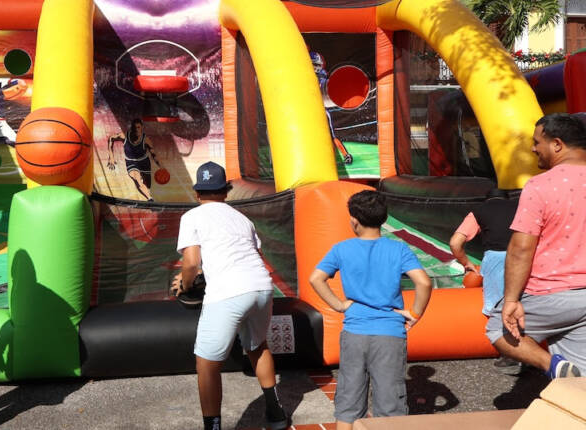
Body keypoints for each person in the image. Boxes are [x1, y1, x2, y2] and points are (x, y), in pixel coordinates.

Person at [171, 161, 289, 430]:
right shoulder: (242, 218)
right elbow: (252, 257)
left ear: (197, 193)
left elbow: (190, 263)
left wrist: (187, 285)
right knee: (257, 347)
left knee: (207, 365)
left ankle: (212, 427)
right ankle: (276, 414)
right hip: (261, 287)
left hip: (229, 292)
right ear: (225, 191)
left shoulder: (192, 216)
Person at [310, 190, 432, 430]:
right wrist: (414, 314)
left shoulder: (341, 249)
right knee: (390, 405)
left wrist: (339, 305)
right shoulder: (399, 250)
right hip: (390, 333)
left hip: (354, 331)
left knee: (348, 402)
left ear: (354, 220)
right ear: (383, 218)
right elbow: (424, 283)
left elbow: (316, 278)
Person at [486, 113, 586, 379]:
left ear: (557, 144)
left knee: (498, 328)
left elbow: (521, 248)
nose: (533, 148)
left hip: (550, 292)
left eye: (536, 142)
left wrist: (510, 299)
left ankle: (549, 364)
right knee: (579, 380)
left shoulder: (541, 186)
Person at [450, 188, 520, 373]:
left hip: (496, 258)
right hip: (522, 255)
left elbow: (455, 243)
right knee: (523, 301)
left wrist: (466, 263)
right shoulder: (521, 207)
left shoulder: (479, 210)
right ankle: (531, 348)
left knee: (498, 305)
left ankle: (511, 354)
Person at [107, 118, 161, 201]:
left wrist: (161, 166)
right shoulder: (124, 135)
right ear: (132, 128)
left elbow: (154, 154)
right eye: (134, 127)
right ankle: (150, 199)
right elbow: (111, 138)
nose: (136, 129)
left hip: (144, 162)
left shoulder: (146, 139)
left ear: (142, 127)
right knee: (137, 178)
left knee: (148, 185)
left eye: (138, 127)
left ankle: (148, 194)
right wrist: (111, 157)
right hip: (131, 162)